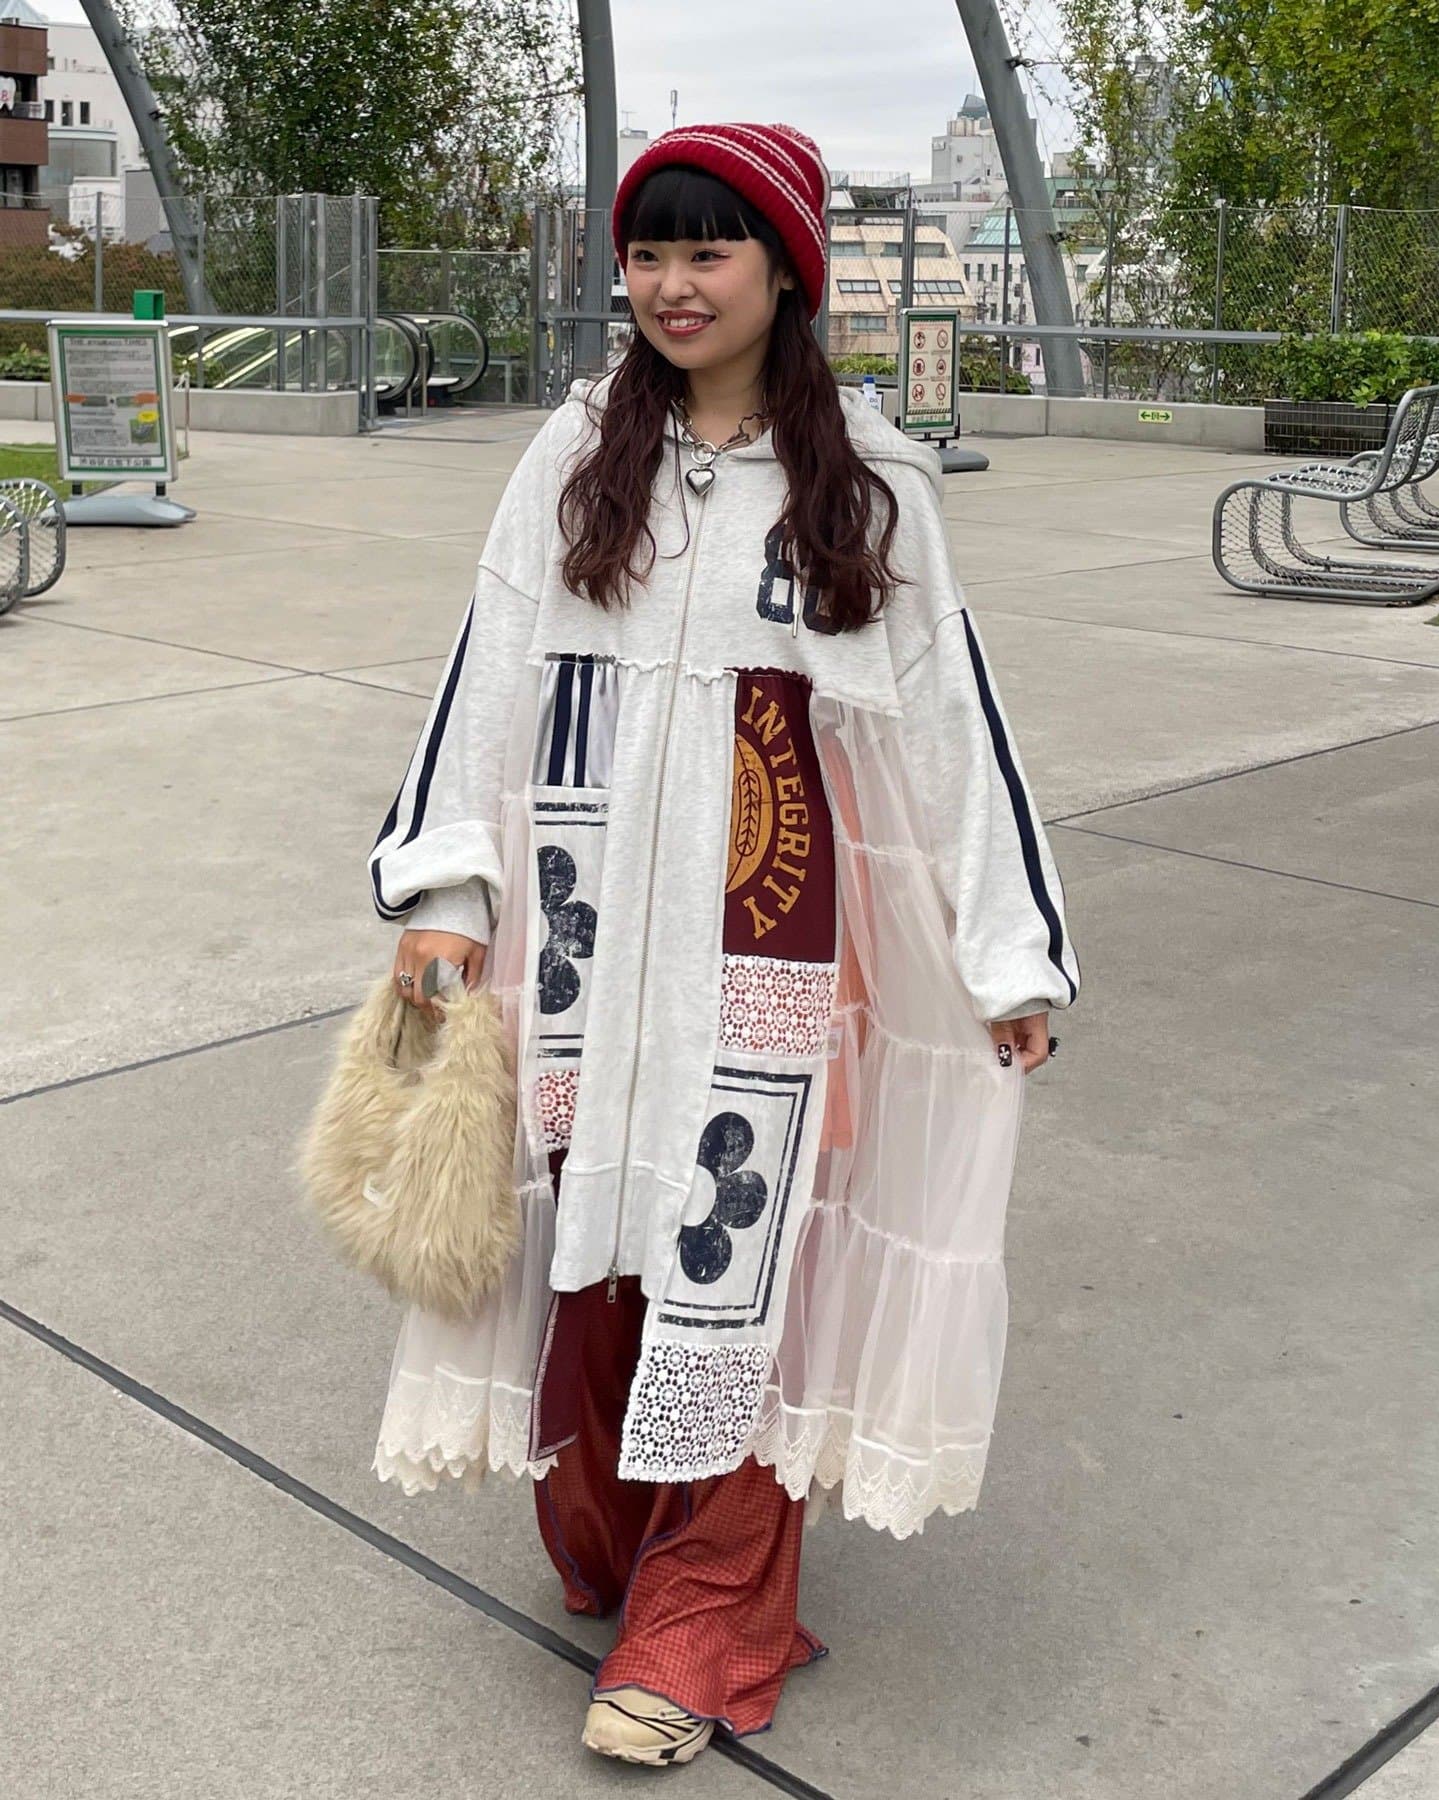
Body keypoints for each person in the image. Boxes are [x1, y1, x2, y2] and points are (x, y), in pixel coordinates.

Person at [366, 121, 1081, 1769]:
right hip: (584, 944)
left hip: (770, 939)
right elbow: (487, 670)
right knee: (596, 1253)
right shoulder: (574, 458)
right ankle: (626, 1553)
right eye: (649, 252)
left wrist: (1009, 950)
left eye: (711, 250)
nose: (674, 284)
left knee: (733, 1258)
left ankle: (707, 1621)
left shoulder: (864, 484)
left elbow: (951, 722)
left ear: (785, 270)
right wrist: (446, 893)